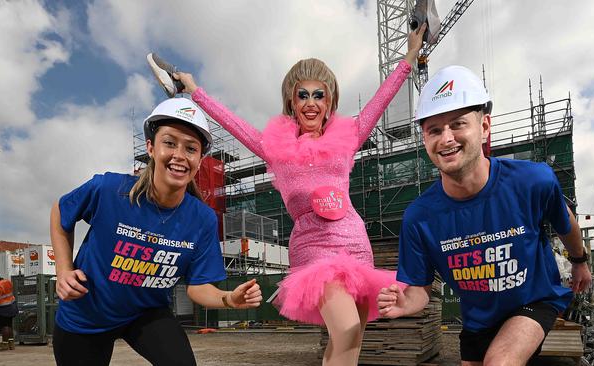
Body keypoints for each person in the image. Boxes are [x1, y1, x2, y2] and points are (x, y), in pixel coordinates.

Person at [148, 24, 426, 365]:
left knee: (349, 344)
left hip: (354, 245)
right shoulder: (274, 148)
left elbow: (382, 99)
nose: (311, 103)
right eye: (302, 95)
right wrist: (194, 91)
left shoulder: (349, 135)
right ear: (291, 102)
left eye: (319, 94)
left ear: (330, 100)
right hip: (312, 250)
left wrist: (410, 55)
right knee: (347, 328)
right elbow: (234, 123)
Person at [377, 65, 592, 366]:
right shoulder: (419, 217)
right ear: (424, 139)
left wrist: (580, 261)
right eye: (434, 130)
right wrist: (404, 303)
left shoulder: (533, 181)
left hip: (534, 301)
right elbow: (419, 292)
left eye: (458, 124)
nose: (447, 138)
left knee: (500, 363)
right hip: (478, 321)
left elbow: (565, 221)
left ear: (485, 127)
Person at [50, 98, 262, 366]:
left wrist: (229, 298)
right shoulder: (109, 190)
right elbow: (60, 211)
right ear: (151, 147)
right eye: (170, 143)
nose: (179, 155)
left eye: (191, 148)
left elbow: (198, 288)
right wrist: (64, 270)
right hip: (87, 314)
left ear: (199, 159)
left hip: (145, 312)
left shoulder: (202, 219)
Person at [0, 276, 18, 351]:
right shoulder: (7, 282)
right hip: (12, 305)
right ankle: (11, 343)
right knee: (9, 325)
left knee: (4, 326)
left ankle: (4, 344)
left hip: (3, 308)